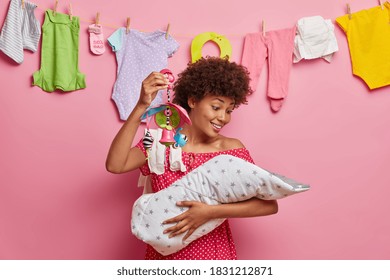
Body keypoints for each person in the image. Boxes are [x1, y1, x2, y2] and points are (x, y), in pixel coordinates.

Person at [106, 57, 278, 260]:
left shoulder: (231, 149)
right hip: (164, 255)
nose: (223, 117)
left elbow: (268, 204)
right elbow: (115, 165)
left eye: (229, 110)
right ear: (193, 101)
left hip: (213, 257)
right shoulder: (161, 143)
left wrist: (210, 212)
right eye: (216, 107)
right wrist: (141, 106)